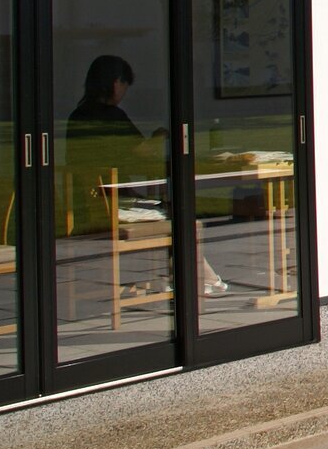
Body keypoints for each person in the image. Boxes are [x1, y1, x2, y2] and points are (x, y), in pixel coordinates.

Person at [68, 54, 228, 297]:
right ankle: (199, 277)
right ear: (115, 83)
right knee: (180, 216)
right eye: (124, 85)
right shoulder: (113, 116)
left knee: (168, 209)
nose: (123, 92)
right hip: (113, 206)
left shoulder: (77, 116)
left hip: (87, 203)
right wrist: (160, 135)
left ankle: (199, 276)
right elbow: (142, 151)